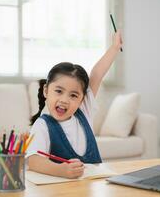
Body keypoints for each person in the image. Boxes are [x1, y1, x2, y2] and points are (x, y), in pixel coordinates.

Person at [27, 31, 123, 179]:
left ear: (82, 99)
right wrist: (61, 170)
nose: (65, 100)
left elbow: (96, 74)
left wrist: (115, 47)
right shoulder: (42, 125)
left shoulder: (84, 110)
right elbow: (33, 161)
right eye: (59, 91)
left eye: (73, 95)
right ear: (46, 91)